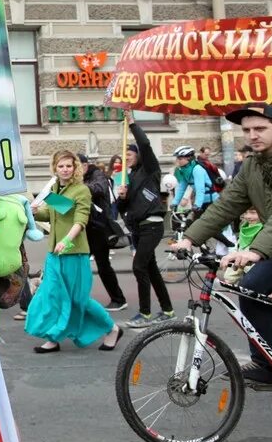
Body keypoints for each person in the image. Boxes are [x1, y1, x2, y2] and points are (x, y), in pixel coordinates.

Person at [171, 103, 272, 387]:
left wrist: (256, 250)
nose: (252, 135)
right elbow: (226, 206)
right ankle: (266, 364)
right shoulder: (251, 166)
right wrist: (189, 238)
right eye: (246, 130)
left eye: (260, 128)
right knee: (249, 291)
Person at [26, 151, 123, 353]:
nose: (65, 169)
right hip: (54, 253)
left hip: (73, 251)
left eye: (69, 166)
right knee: (51, 294)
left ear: (75, 167)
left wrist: (66, 241)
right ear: (55, 168)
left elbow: (80, 220)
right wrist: (34, 212)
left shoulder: (81, 190)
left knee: (78, 299)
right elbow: (54, 214)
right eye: (61, 166)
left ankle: (112, 328)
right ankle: (52, 338)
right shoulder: (55, 189)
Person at [117, 113, 175, 329]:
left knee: (139, 266)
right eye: (125, 154)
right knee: (150, 270)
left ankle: (145, 313)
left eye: (130, 153)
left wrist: (132, 124)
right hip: (139, 228)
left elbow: (145, 144)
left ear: (139, 155)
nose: (127, 157)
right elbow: (123, 209)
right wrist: (122, 197)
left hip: (152, 224)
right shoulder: (129, 178)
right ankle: (168, 310)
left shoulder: (150, 170)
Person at [80, 154, 127, 311]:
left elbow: (98, 189)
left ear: (85, 165)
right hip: (86, 228)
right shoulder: (82, 178)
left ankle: (118, 299)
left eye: (76, 166)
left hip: (98, 228)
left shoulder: (97, 175)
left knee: (103, 266)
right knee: (77, 265)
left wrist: (78, 188)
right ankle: (77, 300)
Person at [171, 146, 219, 217]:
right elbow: (181, 188)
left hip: (212, 201)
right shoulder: (185, 171)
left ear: (188, 158)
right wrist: (174, 203)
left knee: (221, 226)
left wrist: (197, 205)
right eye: (177, 158)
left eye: (180, 158)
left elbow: (200, 189)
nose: (177, 160)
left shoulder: (197, 169)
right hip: (202, 201)